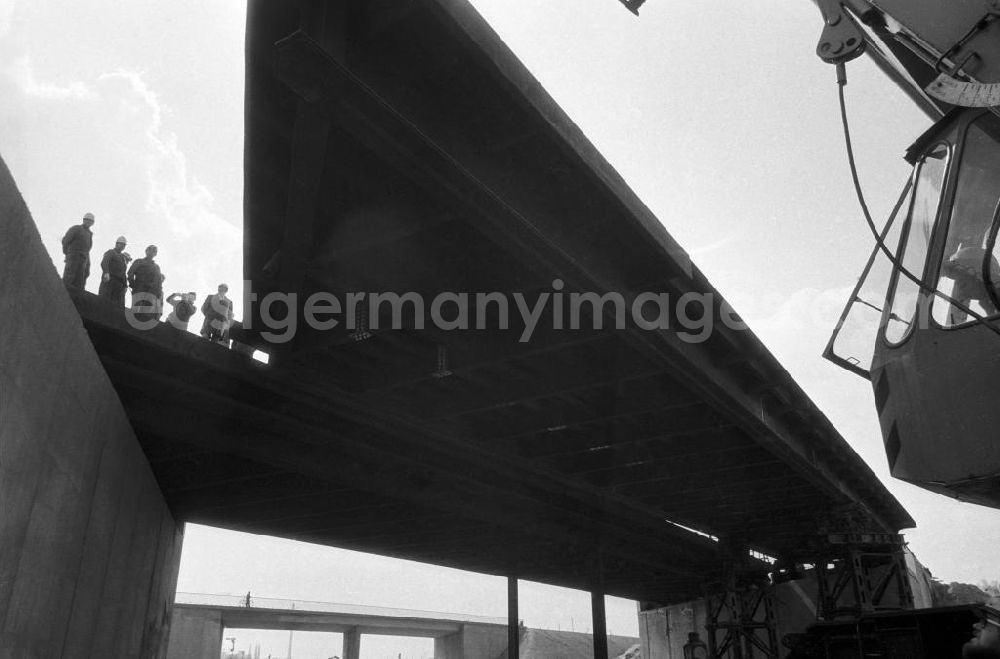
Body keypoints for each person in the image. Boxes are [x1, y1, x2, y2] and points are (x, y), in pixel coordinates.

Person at [127, 245, 163, 323]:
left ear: (155, 254)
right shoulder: (139, 261)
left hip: (151, 293)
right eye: (150, 250)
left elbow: (159, 282)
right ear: (146, 251)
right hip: (139, 288)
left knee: (146, 315)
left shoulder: (156, 267)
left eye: (154, 251)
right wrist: (132, 283)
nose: (151, 252)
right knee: (135, 311)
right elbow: (130, 272)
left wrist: (158, 294)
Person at [61, 212, 95, 289]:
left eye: (90, 221)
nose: (88, 222)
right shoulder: (76, 228)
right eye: (87, 220)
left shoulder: (89, 234)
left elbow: (87, 250)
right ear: (83, 220)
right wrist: (68, 254)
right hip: (74, 256)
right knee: (69, 278)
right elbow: (65, 241)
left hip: (83, 259)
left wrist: (87, 263)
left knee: (79, 281)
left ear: (92, 223)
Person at [98, 236, 132, 306]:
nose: (122, 246)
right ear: (117, 244)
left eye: (124, 245)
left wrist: (125, 285)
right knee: (105, 301)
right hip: (110, 281)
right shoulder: (110, 252)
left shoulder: (123, 258)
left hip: (119, 285)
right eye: (121, 244)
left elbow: (123, 272)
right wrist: (106, 272)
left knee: (118, 305)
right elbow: (104, 262)